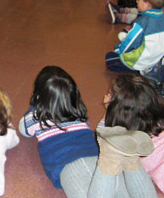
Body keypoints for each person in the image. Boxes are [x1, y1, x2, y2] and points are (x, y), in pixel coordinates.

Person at [19, 66, 156, 198]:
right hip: (95, 155)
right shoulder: (77, 112)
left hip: (67, 163)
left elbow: (23, 129)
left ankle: (112, 157)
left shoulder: (35, 117)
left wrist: (35, 107)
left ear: (38, 96)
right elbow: (97, 132)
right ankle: (129, 158)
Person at [105, 0, 164, 74]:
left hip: (140, 62)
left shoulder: (142, 22)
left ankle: (139, 71)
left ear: (147, 4)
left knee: (109, 58)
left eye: (139, 0)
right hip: (156, 59)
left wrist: (117, 49)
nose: (136, 1)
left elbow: (130, 42)